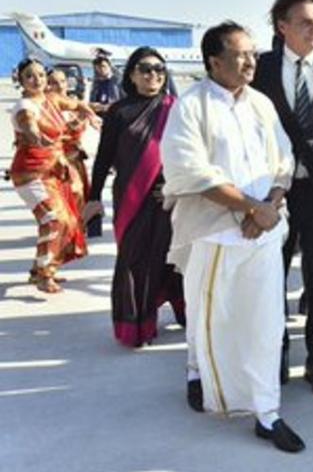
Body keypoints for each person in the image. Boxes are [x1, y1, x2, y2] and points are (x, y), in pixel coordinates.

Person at [161, 21, 304, 453]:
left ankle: (267, 411)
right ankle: (196, 372)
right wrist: (250, 208)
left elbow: (284, 161)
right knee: (211, 319)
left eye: (252, 53)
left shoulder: (261, 103)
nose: (250, 62)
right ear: (214, 62)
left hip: (263, 232)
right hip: (215, 233)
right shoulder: (192, 106)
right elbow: (190, 171)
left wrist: (268, 206)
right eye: (241, 54)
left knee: (266, 322)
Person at [252, 0, 313, 398]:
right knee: (270, 274)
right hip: (269, 188)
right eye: (305, 22)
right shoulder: (259, 68)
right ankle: (274, 352)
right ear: (283, 27)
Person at [85, 47, 184, 347]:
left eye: (159, 69)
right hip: (131, 198)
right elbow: (104, 157)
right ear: (131, 74)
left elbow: (189, 155)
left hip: (170, 198)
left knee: (173, 258)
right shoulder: (119, 112)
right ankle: (137, 325)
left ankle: (186, 312)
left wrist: (174, 186)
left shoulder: (176, 108)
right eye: (145, 69)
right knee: (134, 260)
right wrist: (93, 196)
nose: (153, 74)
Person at [9, 58, 91, 292]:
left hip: (53, 171)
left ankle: (39, 270)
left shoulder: (51, 99)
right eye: (30, 76)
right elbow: (29, 126)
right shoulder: (24, 106)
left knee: (67, 219)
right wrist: (37, 138)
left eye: (40, 75)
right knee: (54, 219)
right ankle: (45, 274)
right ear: (20, 80)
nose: (37, 80)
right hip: (30, 174)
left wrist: (96, 111)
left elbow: (76, 104)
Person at [45, 69, 92, 219]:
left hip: (76, 159)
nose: (60, 86)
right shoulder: (45, 107)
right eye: (54, 82)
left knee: (81, 198)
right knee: (70, 196)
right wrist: (74, 125)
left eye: (62, 81)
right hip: (58, 161)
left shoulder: (73, 103)